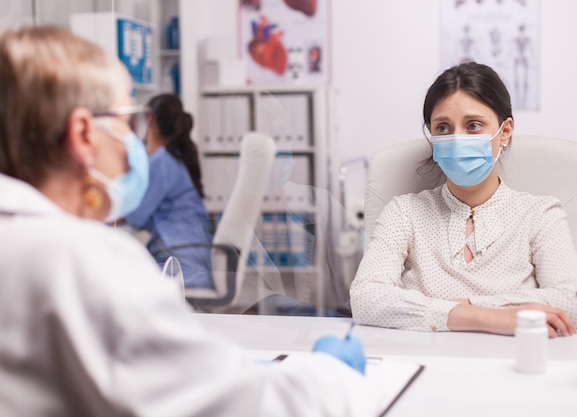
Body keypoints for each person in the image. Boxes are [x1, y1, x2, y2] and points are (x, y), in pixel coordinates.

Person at [0, 25, 377, 416]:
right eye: (128, 123)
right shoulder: (85, 265)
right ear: (82, 134)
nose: (135, 144)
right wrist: (332, 375)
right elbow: (257, 408)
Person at [350, 61, 577, 337]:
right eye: (443, 128)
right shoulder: (404, 212)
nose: (457, 139)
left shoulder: (540, 213)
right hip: (423, 363)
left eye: (473, 125)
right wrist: (491, 317)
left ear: (505, 132)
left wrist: (443, 310)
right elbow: (366, 299)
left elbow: (575, 304)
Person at [123, 93, 213, 289]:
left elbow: (132, 216)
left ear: (150, 121)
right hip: (191, 263)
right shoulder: (176, 157)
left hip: (179, 268)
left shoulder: (162, 161)